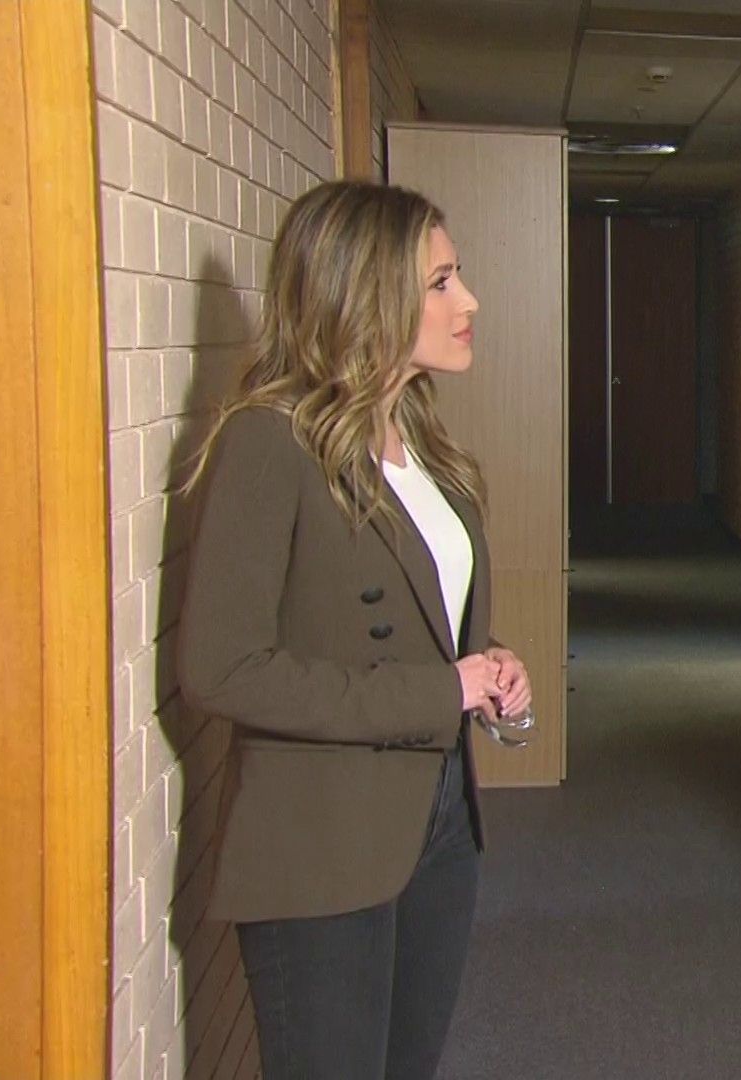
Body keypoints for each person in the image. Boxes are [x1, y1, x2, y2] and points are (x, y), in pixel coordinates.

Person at [178, 180, 533, 1080]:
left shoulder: (424, 443)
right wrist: (439, 690)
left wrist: (489, 667)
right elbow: (220, 667)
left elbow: (420, 623)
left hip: (439, 813)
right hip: (322, 840)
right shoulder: (270, 441)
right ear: (364, 294)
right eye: (441, 283)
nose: (469, 301)